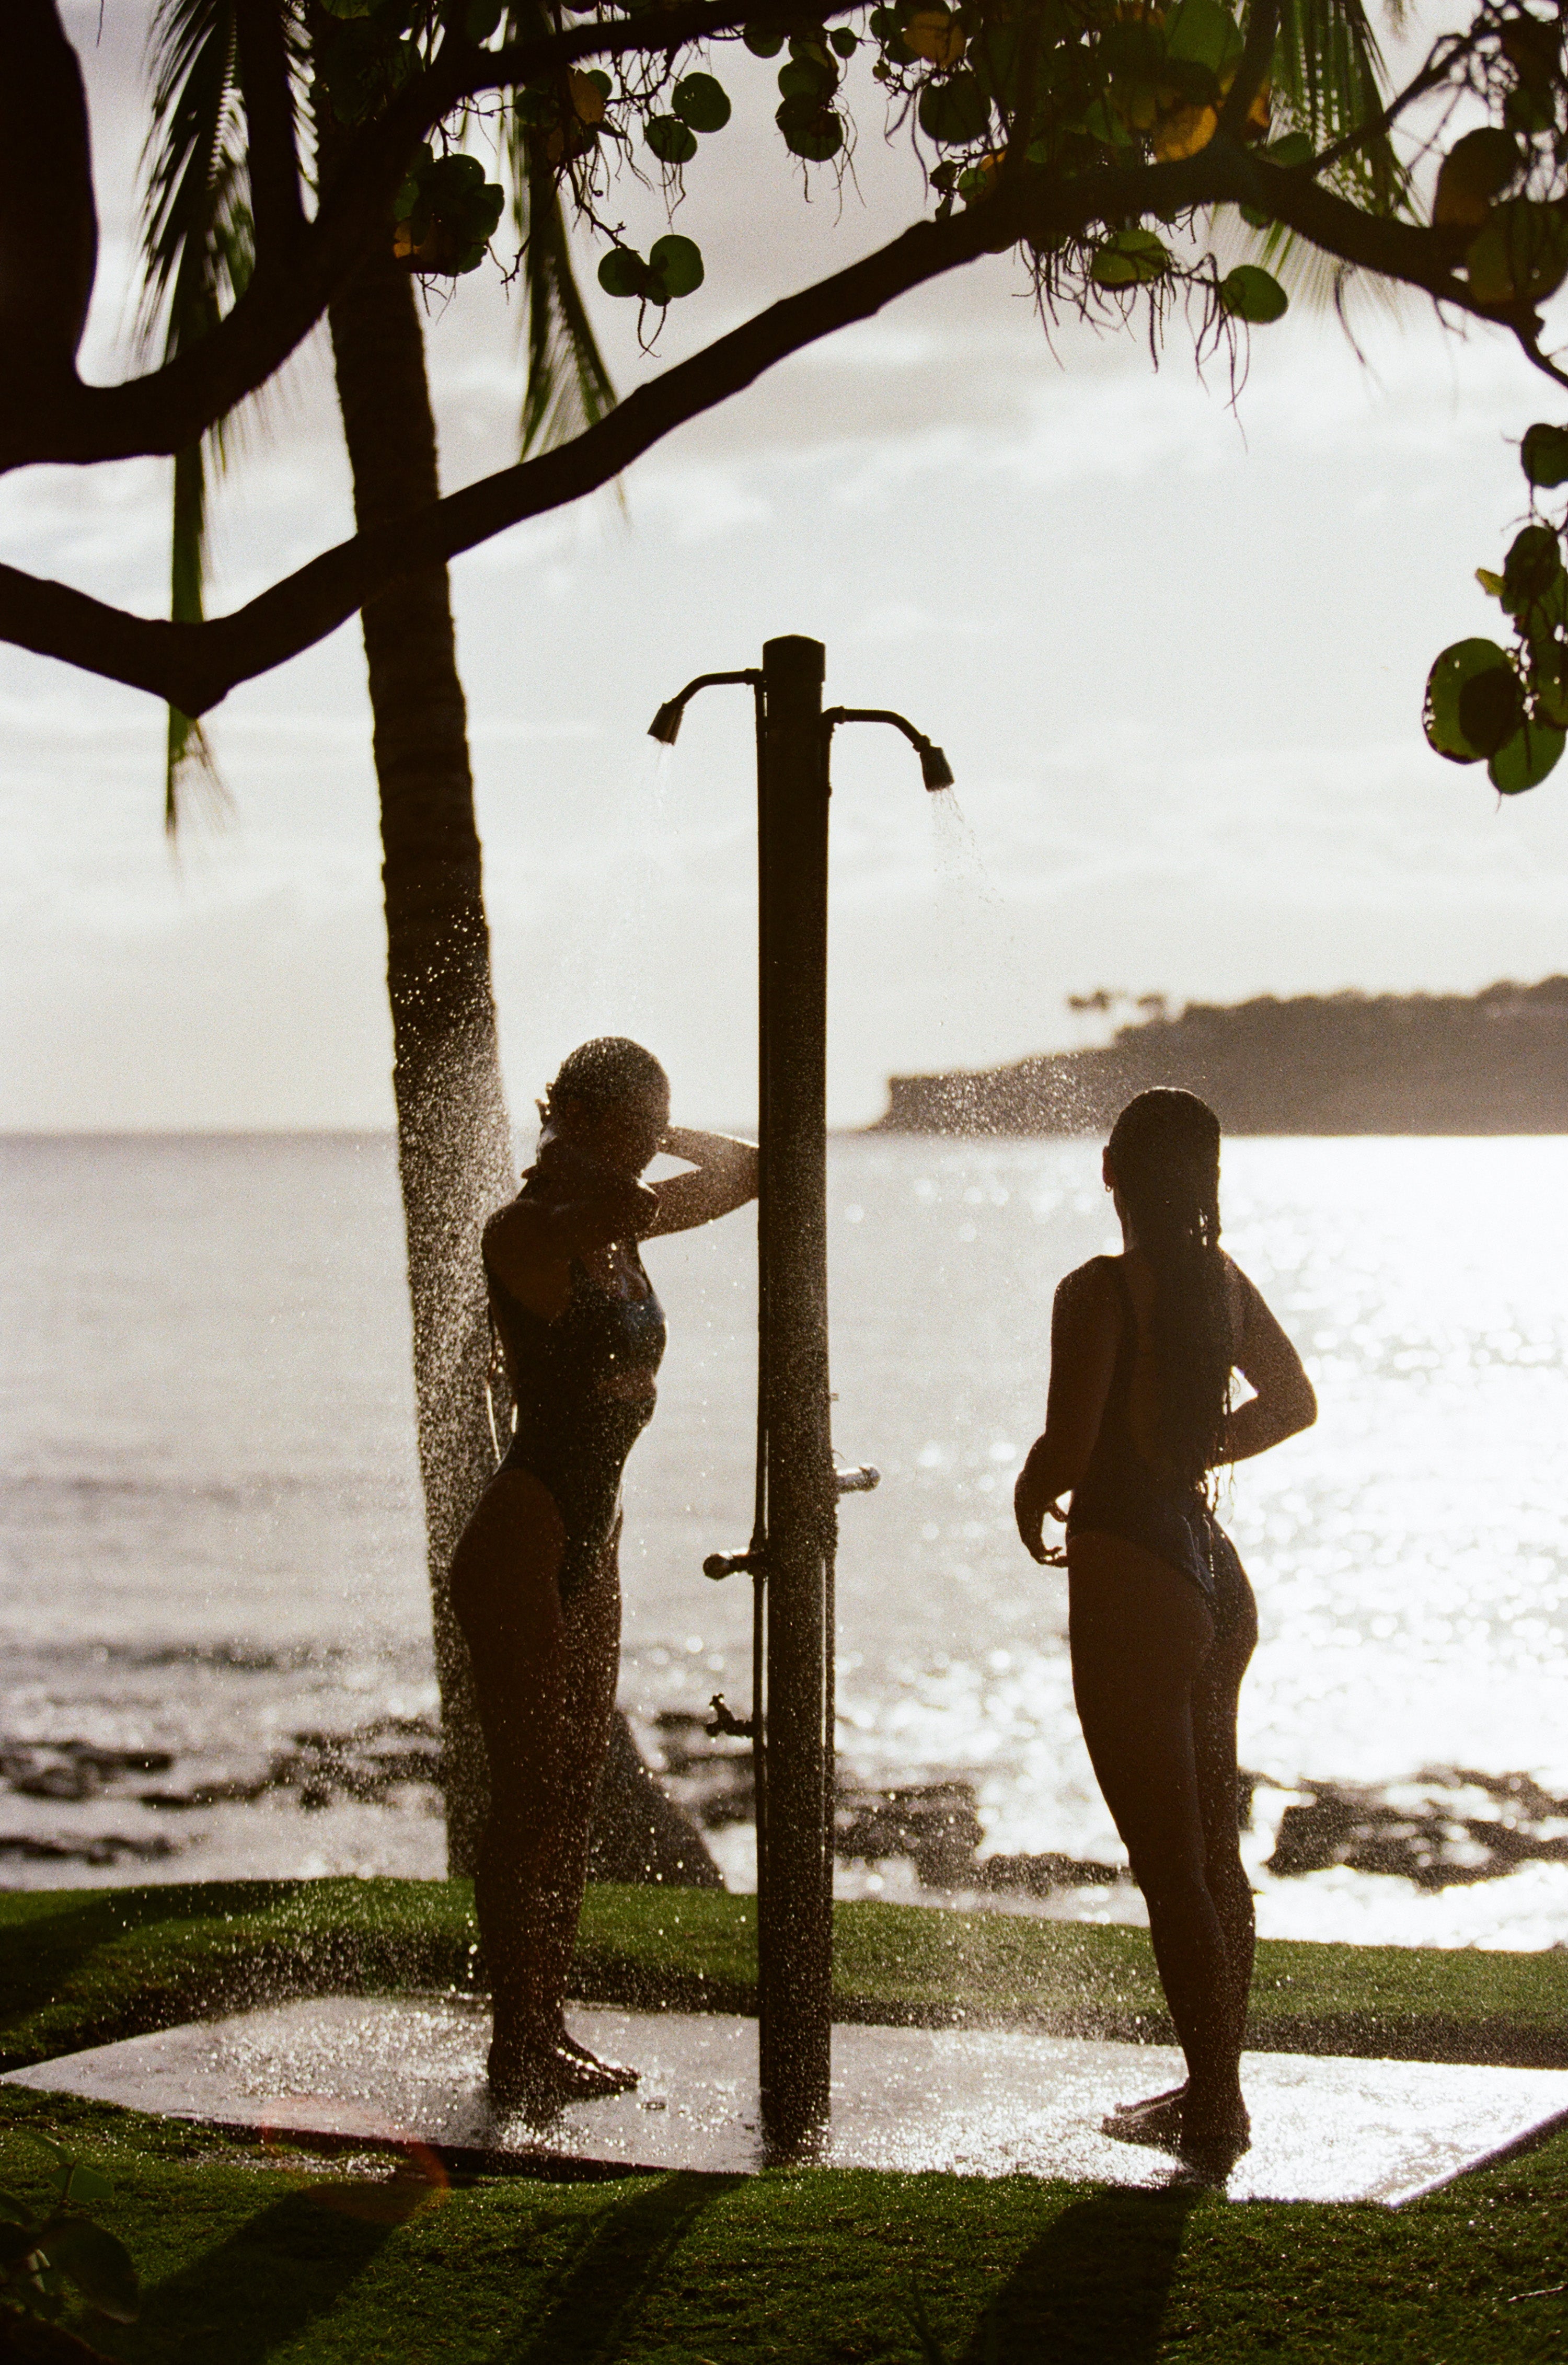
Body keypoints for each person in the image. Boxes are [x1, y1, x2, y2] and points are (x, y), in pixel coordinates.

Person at [449, 1037, 757, 2111]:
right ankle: (514, 2039)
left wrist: (660, 1128)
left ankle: (549, 2025)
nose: (641, 1150)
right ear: (571, 1118)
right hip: (525, 1538)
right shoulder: (532, 1229)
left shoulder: (621, 1224)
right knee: (529, 1798)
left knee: (573, 1799)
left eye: (650, 1127)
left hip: (595, 1539)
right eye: (621, 1123)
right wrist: (618, 1157)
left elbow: (749, 1173)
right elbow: (624, 1208)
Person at [1012, 1088, 1316, 2174]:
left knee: (1168, 1860)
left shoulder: (1098, 1291)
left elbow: (1071, 1443)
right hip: (1213, 1575)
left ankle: (1216, 2103)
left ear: (1111, 1170)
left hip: (1136, 1568)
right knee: (1213, 1852)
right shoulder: (1223, 1287)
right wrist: (1196, 1449)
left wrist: (1027, 1492)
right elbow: (1294, 1403)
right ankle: (1212, 2079)